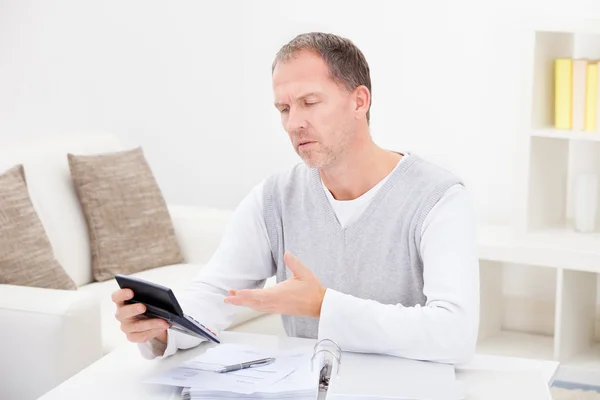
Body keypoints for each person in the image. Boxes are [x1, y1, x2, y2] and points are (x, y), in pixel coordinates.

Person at [112, 32, 480, 363]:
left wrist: (324, 306)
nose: (293, 124)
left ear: (359, 101)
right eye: (284, 109)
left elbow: (454, 333)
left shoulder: (437, 197)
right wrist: (163, 326)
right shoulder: (275, 197)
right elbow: (218, 291)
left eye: (309, 102)